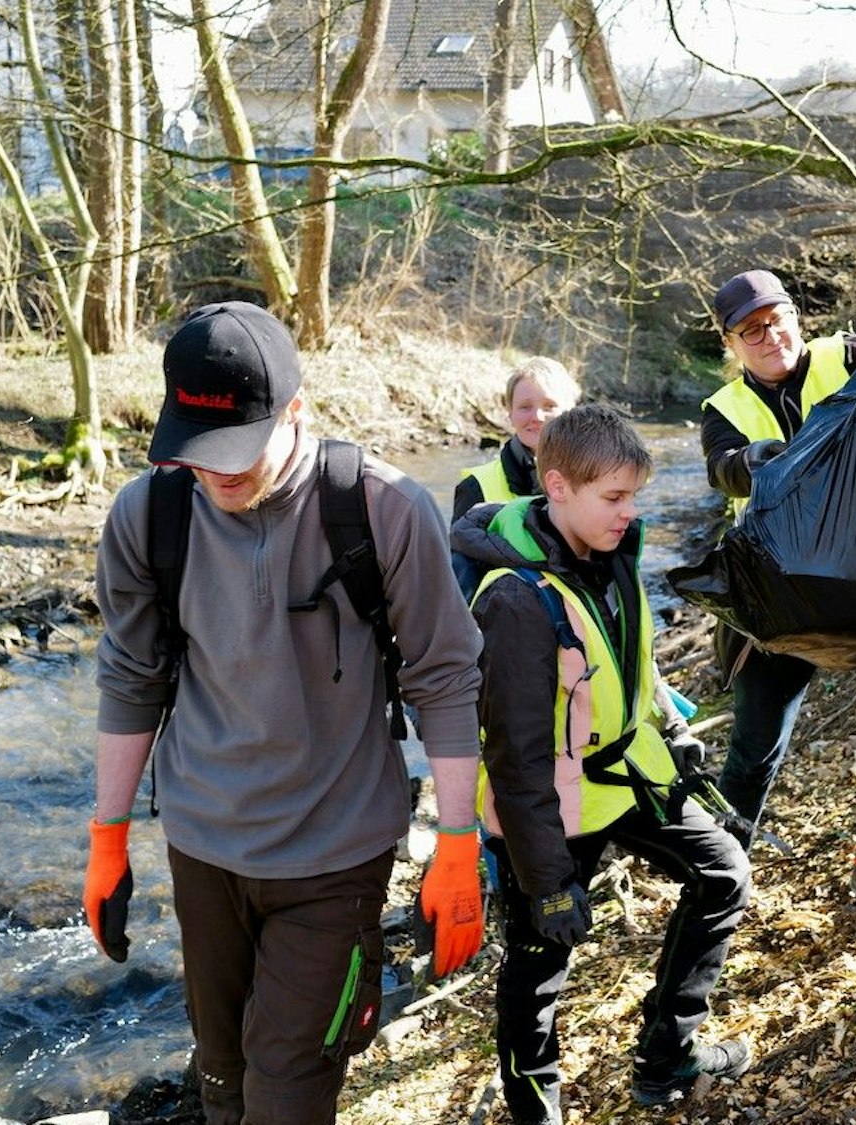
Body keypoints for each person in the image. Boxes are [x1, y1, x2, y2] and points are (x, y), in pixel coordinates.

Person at [83, 301, 489, 1124]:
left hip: (336, 856)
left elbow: (444, 676)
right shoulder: (149, 514)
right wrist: (108, 836)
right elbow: (131, 674)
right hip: (203, 844)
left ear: (295, 411)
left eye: (237, 449)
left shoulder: (383, 509)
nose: (218, 473)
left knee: (287, 1093)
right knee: (223, 1079)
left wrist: (455, 843)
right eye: (197, 453)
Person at [452, 404, 753, 1122]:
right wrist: (549, 882)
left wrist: (672, 733)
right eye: (613, 497)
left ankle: (665, 1055)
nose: (629, 512)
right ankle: (537, 1112)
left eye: (634, 496)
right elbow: (516, 760)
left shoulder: (611, 549)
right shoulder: (517, 602)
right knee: (538, 969)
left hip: (627, 771)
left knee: (722, 875)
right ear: (557, 486)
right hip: (548, 810)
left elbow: (629, 662)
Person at [698, 268, 856, 931]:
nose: (769, 335)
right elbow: (721, 464)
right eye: (751, 330)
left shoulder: (850, 358)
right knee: (753, 748)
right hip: (782, 606)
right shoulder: (723, 411)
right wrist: (755, 459)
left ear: (795, 318)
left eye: (776, 319)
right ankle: (722, 876)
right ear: (733, 343)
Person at [451, 357, 580, 598]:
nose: (537, 416)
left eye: (549, 405)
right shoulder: (475, 488)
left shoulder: (595, 479)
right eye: (525, 407)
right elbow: (460, 588)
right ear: (510, 413)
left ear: (571, 411)